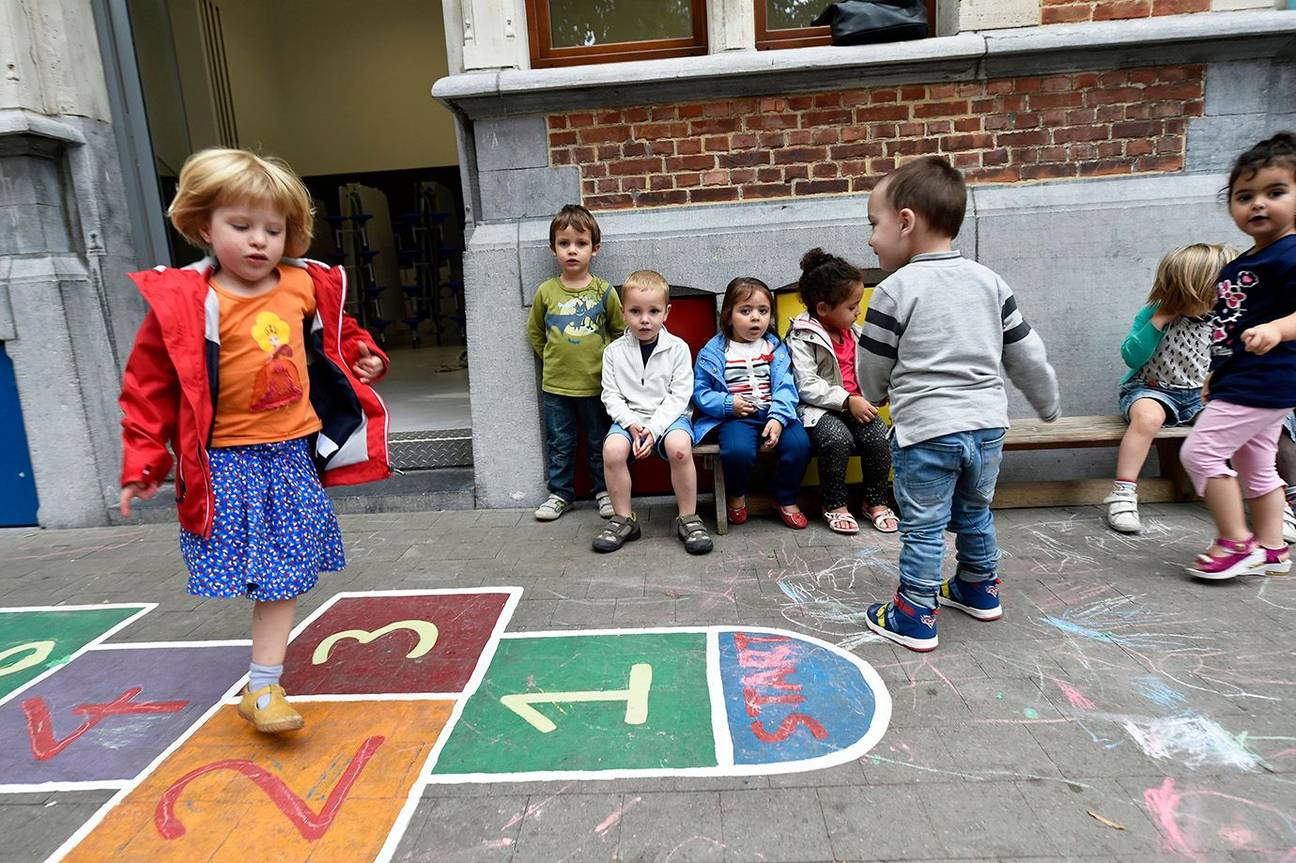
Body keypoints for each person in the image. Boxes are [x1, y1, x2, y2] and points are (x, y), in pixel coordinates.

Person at [118, 148, 390, 731]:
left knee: (284, 573)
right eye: (240, 227)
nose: (259, 241)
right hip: (224, 463)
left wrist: (365, 357)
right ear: (202, 226)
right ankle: (262, 683)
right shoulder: (189, 300)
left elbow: (341, 338)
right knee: (249, 568)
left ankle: (263, 688)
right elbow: (148, 385)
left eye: (274, 229)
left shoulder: (303, 284)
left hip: (291, 456)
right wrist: (143, 462)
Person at [858, 155, 1060, 652]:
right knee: (974, 512)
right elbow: (1026, 351)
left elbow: (872, 364)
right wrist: (1047, 403)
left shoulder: (893, 289)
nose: (869, 237)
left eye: (873, 224)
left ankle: (914, 613)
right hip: (988, 426)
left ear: (905, 222)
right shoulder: (990, 281)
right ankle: (978, 587)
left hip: (927, 431)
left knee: (924, 525)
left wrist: (874, 393)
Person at [1180, 132, 1296, 580]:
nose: (1258, 205)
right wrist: (1216, 374)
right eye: (1244, 196)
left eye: (1275, 192)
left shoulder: (1289, 254)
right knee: (1255, 464)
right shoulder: (1243, 261)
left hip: (1266, 380)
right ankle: (1271, 547)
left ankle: (1234, 541)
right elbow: (1228, 327)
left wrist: (1278, 328)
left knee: (1201, 455)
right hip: (1244, 379)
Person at [1105, 244, 1238, 533]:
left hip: (1200, 395)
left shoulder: (1224, 318)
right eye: (1219, 289)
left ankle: (1250, 495)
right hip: (1151, 389)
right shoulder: (1155, 313)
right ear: (1191, 291)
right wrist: (1158, 321)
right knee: (1148, 418)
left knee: (1226, 424)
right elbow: (1131, 356)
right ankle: (1123, 493)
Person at [594, 270, 713, 554]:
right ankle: (623, 518)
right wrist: (633, 424)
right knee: (612, 450)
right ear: (623, 312)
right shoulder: (614, 352)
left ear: (667, 312)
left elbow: (679, 395)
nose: (644, 319)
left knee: (680, 448)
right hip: (630, 419)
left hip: (670, 419)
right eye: (635, 311)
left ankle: (688, 517)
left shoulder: (678, 349)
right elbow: (610, 395)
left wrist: (654, 428)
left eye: (653, 311)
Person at [785, 249, 897, 535]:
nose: (858, 311)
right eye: (851, 306)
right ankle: (833, 503)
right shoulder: (801, 336)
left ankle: (875, 502)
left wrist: (877, 391)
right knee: (837, 440)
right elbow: (806, 384)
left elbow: (868, 370)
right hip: (818, 411)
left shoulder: (854, 333)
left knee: (878, 439)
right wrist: (847, 400)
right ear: (823, 308)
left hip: (855, 405)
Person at [527, 204, 624, 522]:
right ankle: (560, 494)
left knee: (600, 442)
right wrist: (553, 360)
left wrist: (606, 366)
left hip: (597, 386)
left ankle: (604, 492)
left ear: (594, 249)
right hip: (556, 387)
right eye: (564, 243)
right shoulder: (546, 292)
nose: (572, 251)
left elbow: (619, 331)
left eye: (580, 244)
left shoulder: (604, 291)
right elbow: (536, 332)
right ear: (553, 248)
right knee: (561, 443)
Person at [693, 277, 811, 529]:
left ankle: (785, 497)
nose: (755, 318)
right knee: (737, 451)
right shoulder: (714, 352)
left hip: (775, 412)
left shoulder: (775, 347)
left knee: (799, 444)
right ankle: (736, 493)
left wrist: (778, 418)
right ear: (728, 316)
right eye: (745, 311)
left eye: (763, 311)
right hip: (736, 417)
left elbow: (787, 387)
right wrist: (727, 403)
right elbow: (701, 392)